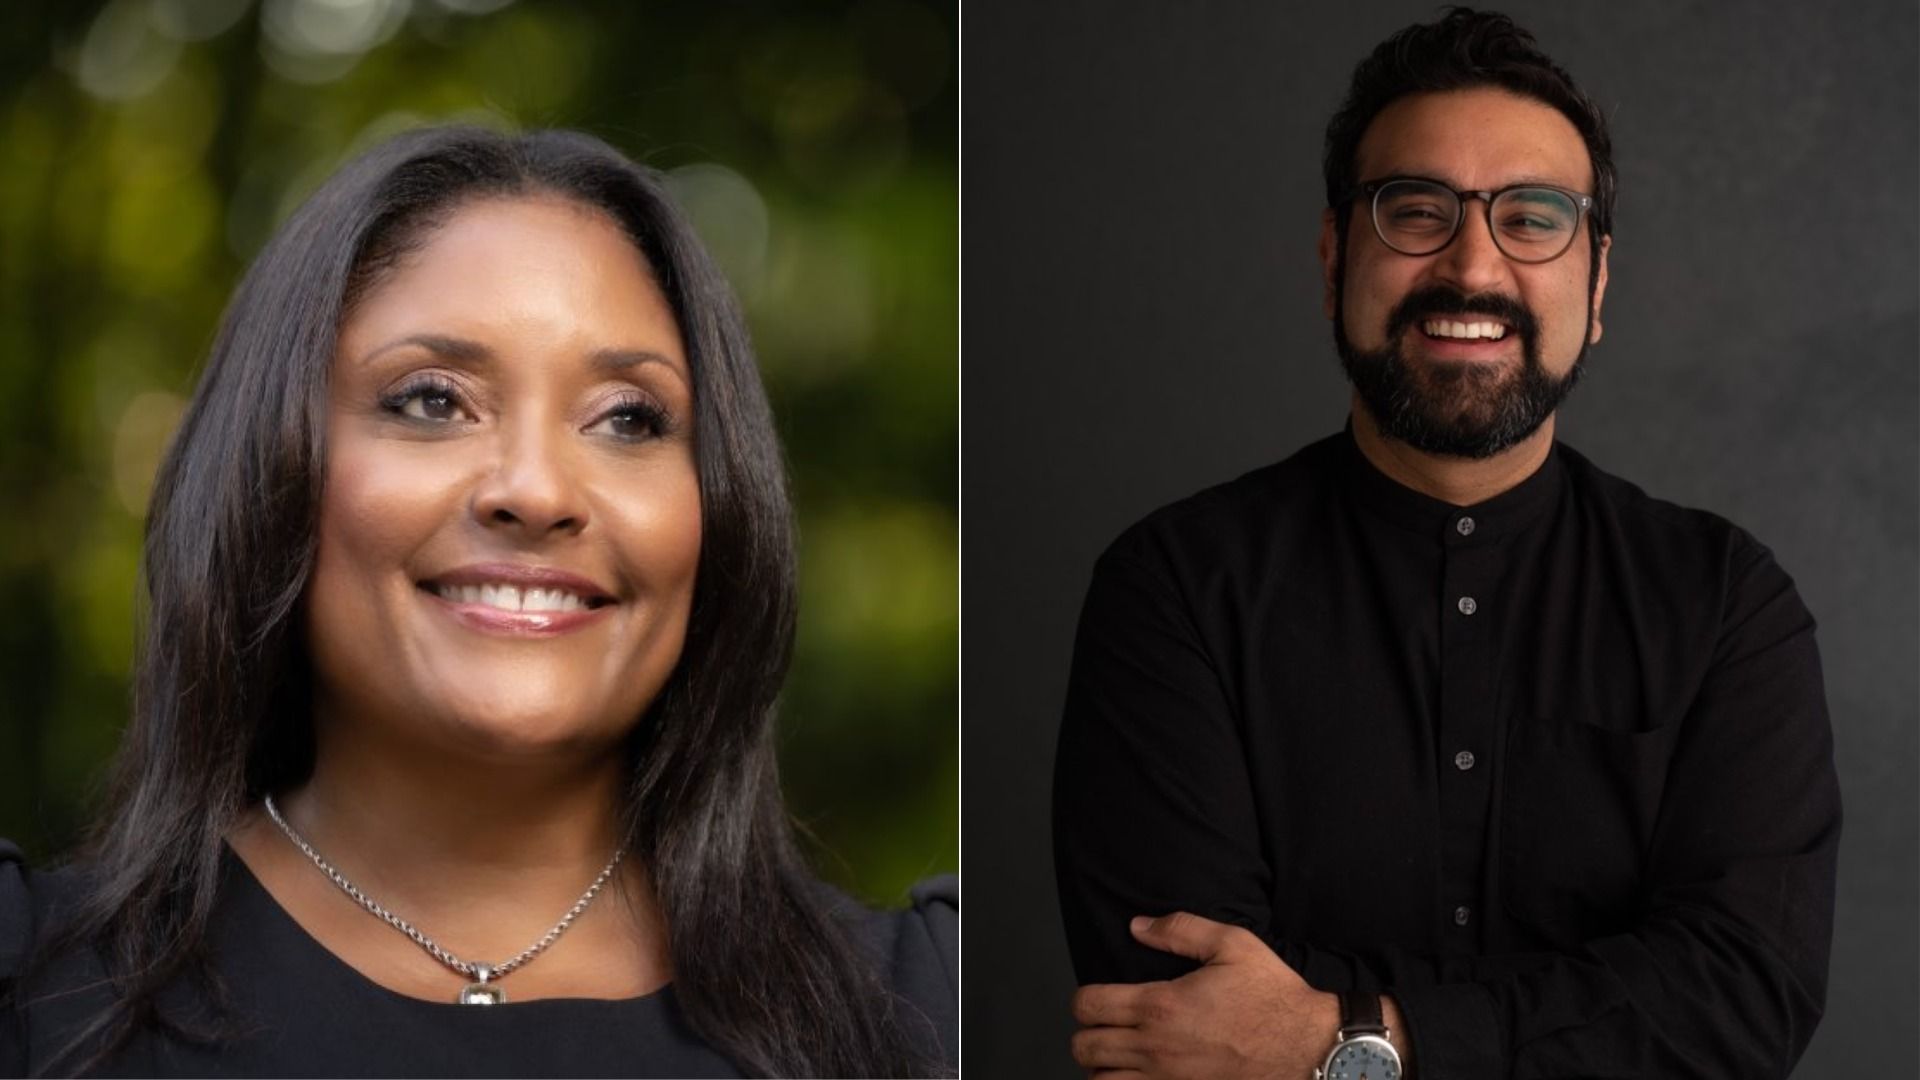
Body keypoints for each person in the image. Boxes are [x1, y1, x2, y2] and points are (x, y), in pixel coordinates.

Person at [0, 126, 955, 1078]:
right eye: (432, 401)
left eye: (628, 417)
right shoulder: (31, 998)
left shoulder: (942, 1011)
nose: (536, 491)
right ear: (271, 471)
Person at [1053, 9, 1838, 1079]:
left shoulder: (1724, 607)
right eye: (1415, 210)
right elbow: (1177, 1026)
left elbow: (1742, 1000)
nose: (1472, 266)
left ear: (1597, 285)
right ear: (1335, 258)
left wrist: (1350, 1042)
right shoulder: (1177, 591)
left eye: (1533, 217)